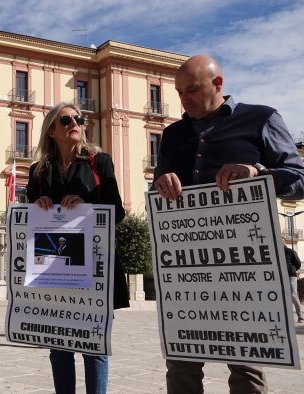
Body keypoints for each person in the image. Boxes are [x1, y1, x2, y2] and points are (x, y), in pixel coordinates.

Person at [153, 54, 304, 394]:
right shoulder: (172, 135)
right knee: (180, 367)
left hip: (243, 267)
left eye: (191, 90)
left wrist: (258, 173)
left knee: (246, 369)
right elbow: (159, 183)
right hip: (185, 267)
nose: (184, 99)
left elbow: (299, 177)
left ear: (218, 84)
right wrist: (162, 181)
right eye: (179, 93)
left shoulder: (261, 118)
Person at [26, 102, 130, 394]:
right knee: (58, 348)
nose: (75, 122)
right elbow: (28, 220)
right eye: (66, 120)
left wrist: (89, 208)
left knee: (93, 346)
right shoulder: (38, 171)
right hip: (53, 270)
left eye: (78, 118)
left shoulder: (100, 162)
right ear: (51, 131)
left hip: (95, 267)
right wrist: (36, 205)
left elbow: (117, 212)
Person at [284, 245, 304, 323]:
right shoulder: (276, 253)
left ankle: (300, 316)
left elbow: (298, 263)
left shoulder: (291, 252)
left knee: (293, 295)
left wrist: (292, 269)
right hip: (281, 276)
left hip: (291, 275)